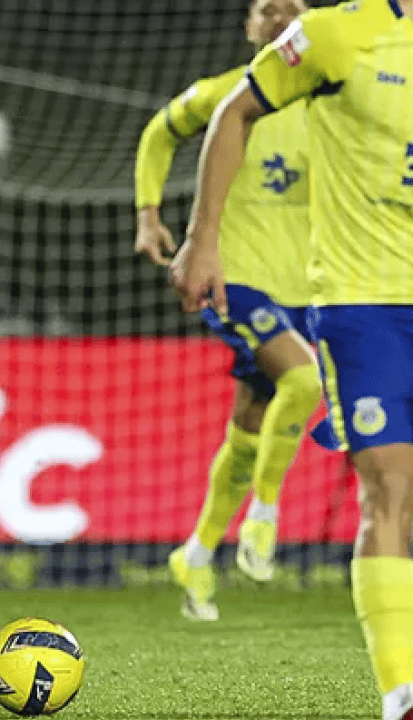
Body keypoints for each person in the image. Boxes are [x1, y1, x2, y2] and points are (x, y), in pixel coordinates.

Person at [171, 0, 413, 717]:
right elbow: (232, 113)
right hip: (362, 300)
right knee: (390, 489)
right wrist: (200, 236)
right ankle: (402, 692)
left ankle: (234, 528)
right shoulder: (338, 33)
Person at [134, 0, 319, 622]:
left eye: (293, 6)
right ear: (249, 27)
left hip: (302, 286)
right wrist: (148, 213)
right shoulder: (223, 96)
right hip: (232, 278)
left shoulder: (326, 103)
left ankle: (198, 551)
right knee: (305, 379)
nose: (280, 15)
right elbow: (161, 132)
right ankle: (265, 517)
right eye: (267, 7)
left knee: (249, 425)